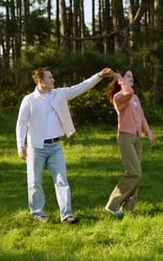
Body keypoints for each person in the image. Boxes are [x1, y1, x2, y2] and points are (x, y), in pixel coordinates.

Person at [16, 67, 113, 224]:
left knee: (62, 180)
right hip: (36, 147)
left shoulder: (59, 94)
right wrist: (21, 146)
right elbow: (21, 124)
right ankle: (38, 213)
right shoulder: (29, 100)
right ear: (41, 81)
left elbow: (81, 87)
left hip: (55, 147)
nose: (53, 80)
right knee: (34, 182)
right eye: (50, 77)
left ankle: (66, 215)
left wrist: (99, 76)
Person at [104, 69, 155, 218]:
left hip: (136, 138)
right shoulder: (119, 97)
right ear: (120, 81)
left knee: (137, 174)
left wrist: (148, 132)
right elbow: (128, 92)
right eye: (128, 76)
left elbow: (141, 116)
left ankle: (127, 210)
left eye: (132, 76)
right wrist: (119, 77)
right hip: (125, 137)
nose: (131, 79)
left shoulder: (135, 98)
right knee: (134, 173)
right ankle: (112, 205)